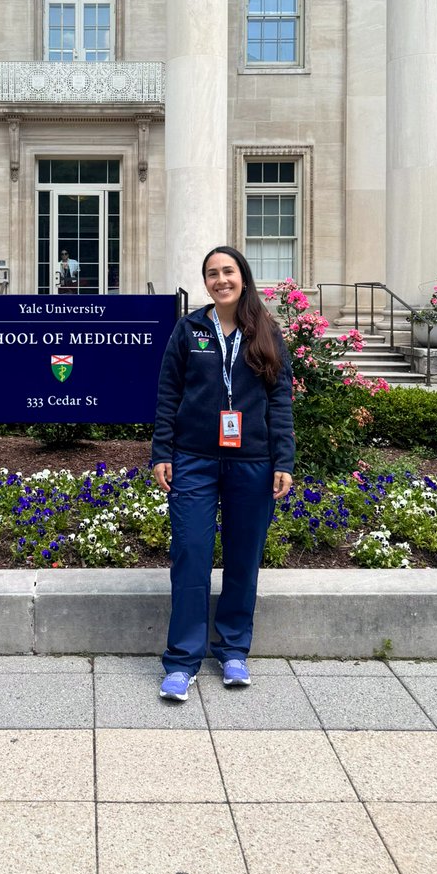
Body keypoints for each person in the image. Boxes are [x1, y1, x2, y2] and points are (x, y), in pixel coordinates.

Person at [151, 245, 294, 701]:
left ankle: (233, 650)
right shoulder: (190, 328)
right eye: (212, 274)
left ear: (243, 277)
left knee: (243, 558)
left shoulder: (265, 332)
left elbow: (280, 402)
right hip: (193, 458)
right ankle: (181, 660)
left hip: (252, 462)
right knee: (191, 553)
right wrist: (161, 452)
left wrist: (283, 461)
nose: (220, 280)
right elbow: (168, 393)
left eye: (227, 271)